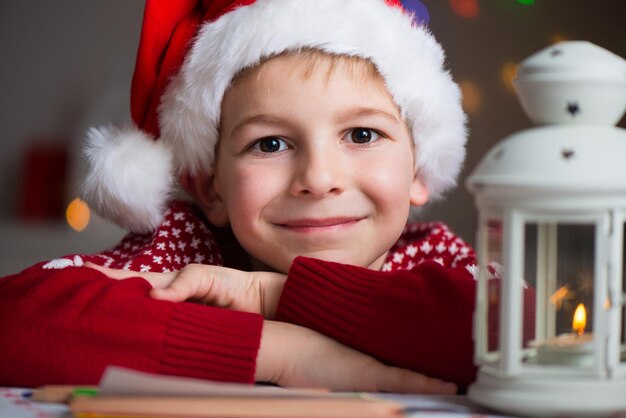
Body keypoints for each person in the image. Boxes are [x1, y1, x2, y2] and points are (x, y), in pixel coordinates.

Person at [0, 0, 505, 394]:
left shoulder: (433, 260)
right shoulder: (190, 251)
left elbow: (516, 331)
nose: (319, 178)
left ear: (419, 166)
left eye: (362, 135)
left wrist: (275, 297)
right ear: (210, 188)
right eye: (271, 144)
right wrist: (285, 352)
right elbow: (17, 319)